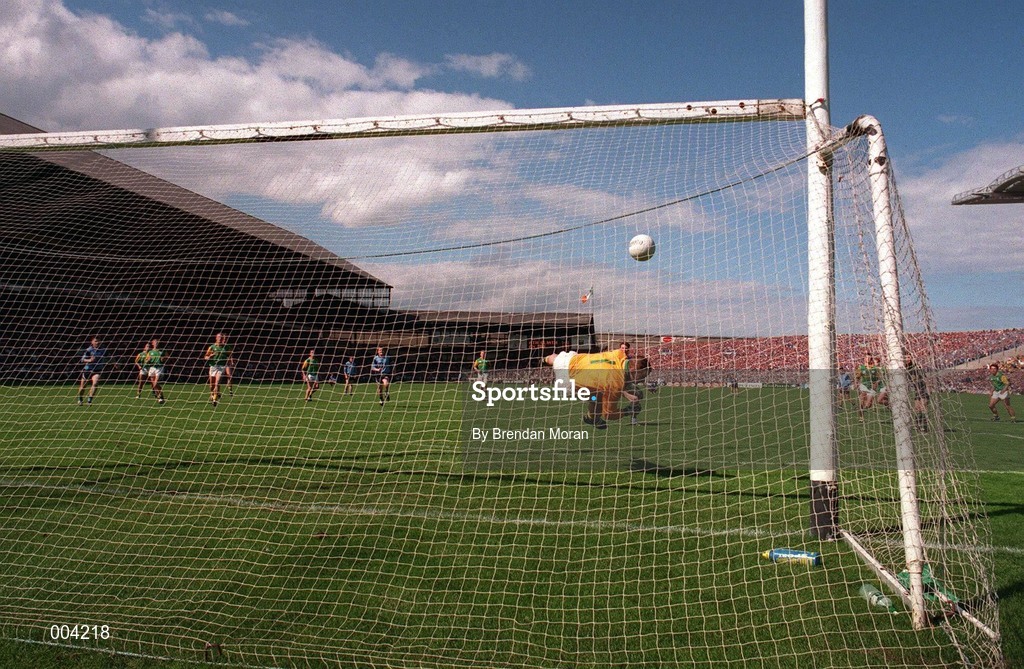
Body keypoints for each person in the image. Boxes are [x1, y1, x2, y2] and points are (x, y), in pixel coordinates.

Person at [544, 347, 650, 429]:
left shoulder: (619, 353)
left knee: (554, 358)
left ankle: (544, 359)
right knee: (597, 399)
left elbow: (610, 375)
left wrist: (625, 390)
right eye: (642, 375)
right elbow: (609, 415)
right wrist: (628, 410)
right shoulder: (615, 384)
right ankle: (592, 418)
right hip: (567, 382)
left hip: (571, 361)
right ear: (632, 370)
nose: (643, 379)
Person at [77, 336, 106, 405]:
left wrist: (115, 363)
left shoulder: (103, 350)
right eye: (95, 341)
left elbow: (109, 357)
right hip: (88, 370)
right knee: (83, 387)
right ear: (92, 342)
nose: (97, 342)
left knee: (95, 383)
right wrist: (90, 360)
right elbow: (82, 359)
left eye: (98, 341)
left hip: (97, 370)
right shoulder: (89, 350)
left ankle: (89, 400)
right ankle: (80, 399)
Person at [204, 333, 230, 406]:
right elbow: (205, 356)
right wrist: (209, 357)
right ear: (216, 338)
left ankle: (215, 399)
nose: (220, 339)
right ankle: (212, 394)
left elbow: (230, 355)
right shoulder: (212, 347)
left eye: (221, 338)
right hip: (213, 366)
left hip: (221, 366)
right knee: (212, 385)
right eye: (219, 337)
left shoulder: (226, 347)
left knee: (217, 382)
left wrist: (230, 361)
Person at [855, 353, 880, 419]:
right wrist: (856, 384)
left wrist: (876, 383)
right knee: (861, 402)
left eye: (869, 358)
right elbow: (857, 377)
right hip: (863, 386)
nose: (868, 359)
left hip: (871, 387)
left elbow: (879, 378)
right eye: (867, 357)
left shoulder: (874, 368)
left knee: (868, 405)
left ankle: (864, 409)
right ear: (864, 358)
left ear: (871, 359)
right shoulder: (861, 367)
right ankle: (861, 417)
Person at [144, 338, 167, 404]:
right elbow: (146, 361)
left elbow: (167, 357)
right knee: (154, 384)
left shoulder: (162, 351)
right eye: (155, 342)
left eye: (157, 342)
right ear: (152, 343)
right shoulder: (150, 352)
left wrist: (164, 359)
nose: (157, 343)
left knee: (156, 383)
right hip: (152, 368)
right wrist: (148, 360)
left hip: (159, 368)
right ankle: (160, 397)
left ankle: (160, 397)